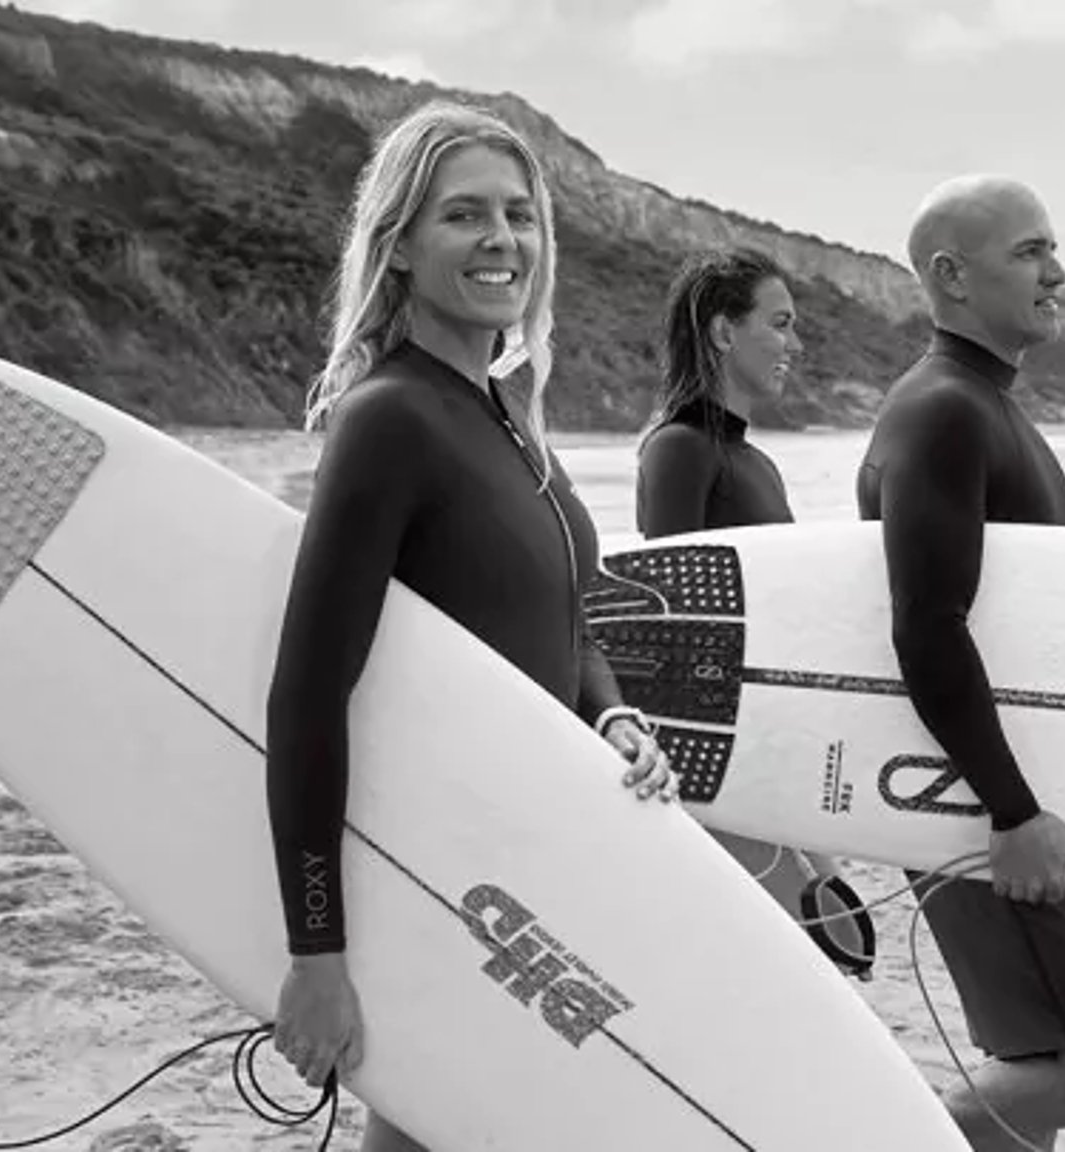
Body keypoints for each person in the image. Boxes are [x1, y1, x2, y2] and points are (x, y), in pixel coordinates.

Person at [261, 99, 682, 1152]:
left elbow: (566, 619)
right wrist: (318, 955)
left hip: (530, 854)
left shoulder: (506, 417)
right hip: (444, 868)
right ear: (399, 245)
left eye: (520, 215)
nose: (502, 241)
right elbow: (309, 692)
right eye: (464, 217)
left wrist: (613, 718)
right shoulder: (391, 419)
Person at [854, 173, 1065, 1149]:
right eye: (1030, 251)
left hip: (1004, 796)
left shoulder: (979, 406)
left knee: (1062, 1063)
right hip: (981, 803)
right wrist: (1012, 811)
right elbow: (927, 625)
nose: (1058, 271)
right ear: (949, 275)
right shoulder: (944, 412)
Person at [631, 246, 871, 976]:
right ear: (723, 332)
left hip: (772, 742)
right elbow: (670, 623)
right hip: (716, 754)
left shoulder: (755, 463)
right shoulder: (679, 451)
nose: (795, 344)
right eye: (780, 323)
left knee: (839, 936)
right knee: (796, 952)